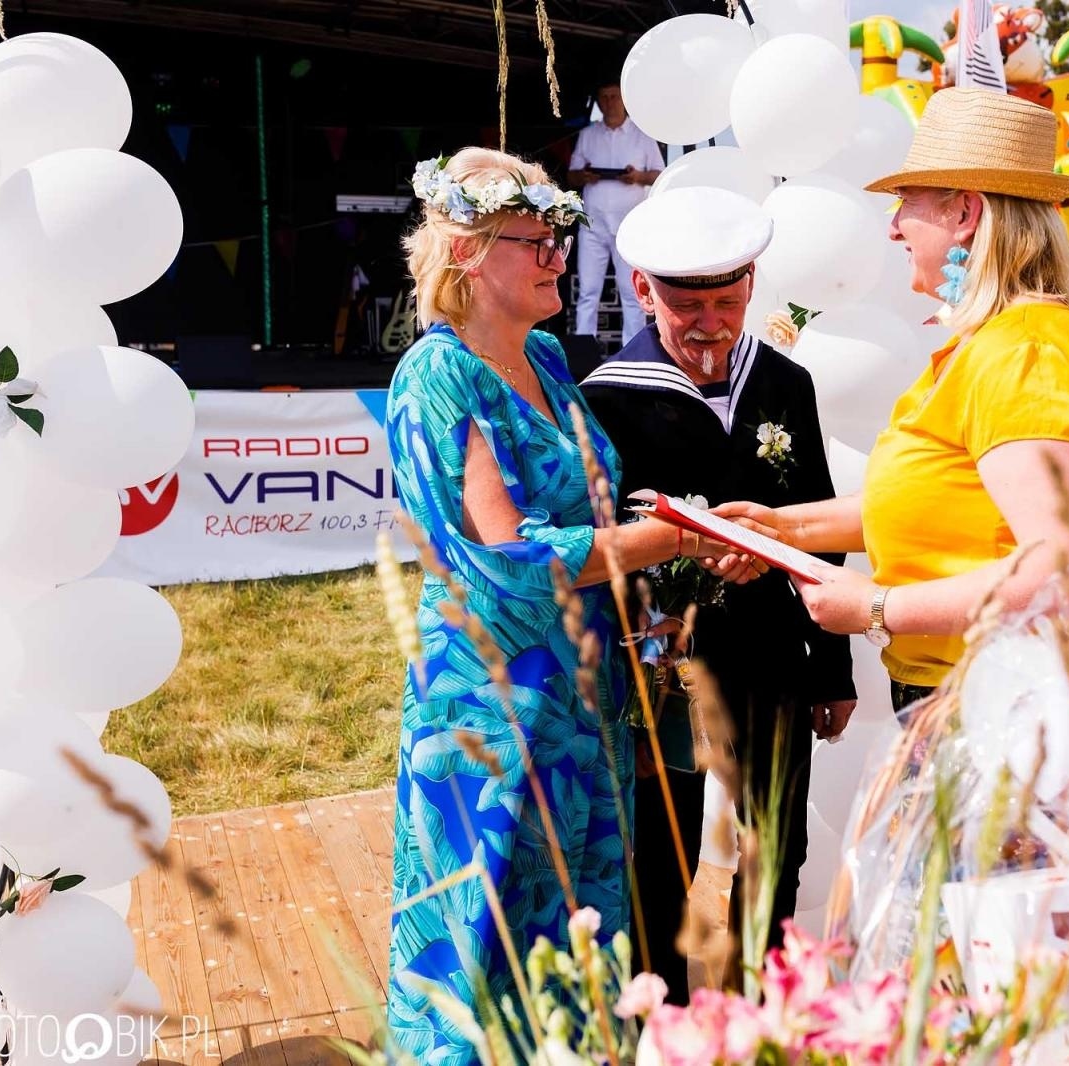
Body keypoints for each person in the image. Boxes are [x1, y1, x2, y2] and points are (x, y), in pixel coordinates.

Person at [385, 148, 753, 1062]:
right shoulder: (437, 376)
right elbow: (507, 559)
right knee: (491, 922)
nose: (558, 257)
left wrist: (652, 588)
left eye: (559, 238)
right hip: (495, 698)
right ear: (467, 253)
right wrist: (669, 540)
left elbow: (589, 510)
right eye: (535, 241)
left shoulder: (548, 359)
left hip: (589, 689)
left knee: (583, 919)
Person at [714, 88, 1069, 714]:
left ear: (964, 212)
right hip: (980, 689)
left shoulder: (1020, 353)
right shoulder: (996, 345)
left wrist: (880, 607)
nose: (892, 227)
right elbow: (934, 500)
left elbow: (1064, 568)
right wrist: (780, 528)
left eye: (907, 204)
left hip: (998, 701)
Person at [580, 186, 857, 1004]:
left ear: (752, 286)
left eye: (729, 303)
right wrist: (686, 559)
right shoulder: (604, 398)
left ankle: (767, 1016)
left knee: (778, 844)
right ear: (640, 291)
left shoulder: (785, 383)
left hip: (774, 657)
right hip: (664, 671)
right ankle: (658, 1018)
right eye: (687, 307)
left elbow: (823, 521)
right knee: (661, 858)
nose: (711, 325)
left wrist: (831, 667)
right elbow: (600, 547)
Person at [567, 79, 663, 347]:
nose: (609, 102)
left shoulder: (642, 135)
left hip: (628, 226)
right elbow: (571, 176)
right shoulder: (589, 134)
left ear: (624, 100)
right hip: (593, 224)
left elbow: (659, 173)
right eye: (604, 97)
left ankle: (633, 352)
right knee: (588, 292)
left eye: (614, 96)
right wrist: (584, 175)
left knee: (631, 293)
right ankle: (583, 352)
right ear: (598, 102)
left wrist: (638, 176)